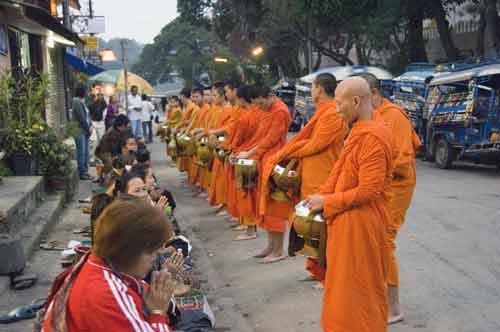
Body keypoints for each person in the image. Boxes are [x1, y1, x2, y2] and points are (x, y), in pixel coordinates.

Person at [304, 77, 393, 332]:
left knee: (360, 292)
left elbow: (370, 190)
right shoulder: (359, 130)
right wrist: (320, 195)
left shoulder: (374, 136)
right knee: (342, 290)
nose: (336, 109)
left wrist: (328, 201)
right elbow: (340, 171)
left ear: (355, 101)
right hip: (345, 221)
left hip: (362, 227)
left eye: (339, 103)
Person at [260, 73, 348, 283]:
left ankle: (327, 274)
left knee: (320, 225)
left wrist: (290, 151)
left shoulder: (333, 114)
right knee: (308, 223)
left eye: (313, 87)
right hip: (311, 174)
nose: (311, 90)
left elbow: (316, 145)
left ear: (319, 88)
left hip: (323, 175)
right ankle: (316, 269)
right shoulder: (322, 112)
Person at [43, 200, 174, 332]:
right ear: (127, 251)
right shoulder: (105, 294)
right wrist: (158, 312)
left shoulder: (98, 264)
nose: (154, 258)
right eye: (151, 252)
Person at [355, 72, 421, 324]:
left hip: (398, 184)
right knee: (371, 239)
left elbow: (403, 160)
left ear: (373, 93)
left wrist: (370, 172)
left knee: (384, 240)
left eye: (359, 97)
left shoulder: (394, 116)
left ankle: (393, 308)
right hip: (380, 185)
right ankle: (376, 297)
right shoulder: (371, 116)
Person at [72, 86, 93, 180]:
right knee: (81, 152)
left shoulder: (82, 101)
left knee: (86, 152)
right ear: (81, 91)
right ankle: (82, 173)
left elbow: (88, 116)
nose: (87, 92)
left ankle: (85, 171)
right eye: (86, 90)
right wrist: (88, 128)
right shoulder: (76, 101)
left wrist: (91, 126)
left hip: (85, 130)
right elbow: (81, 118)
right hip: (80, 130)